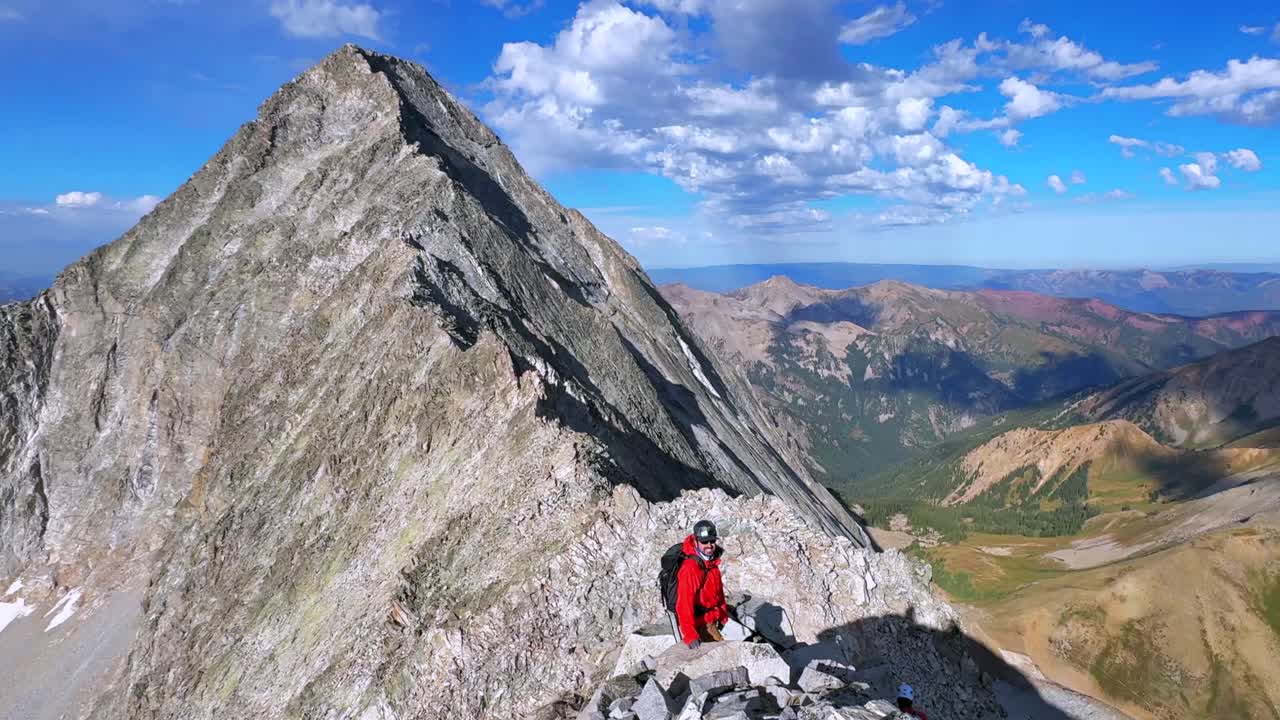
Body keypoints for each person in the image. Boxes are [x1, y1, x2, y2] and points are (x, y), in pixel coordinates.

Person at [674, 519, 730, 648]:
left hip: (711, 620)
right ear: (695, 541)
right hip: (700, 625)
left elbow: (718, 592)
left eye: (712, 541)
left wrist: (723, 614)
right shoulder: (691, 568)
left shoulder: (711, 563)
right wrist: (690, 635)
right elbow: (684, 604)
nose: (709, 545)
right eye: (704, 542)